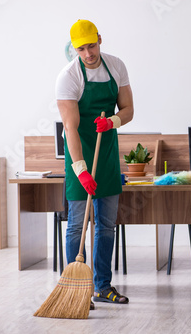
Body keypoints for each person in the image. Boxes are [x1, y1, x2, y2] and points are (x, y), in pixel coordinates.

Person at [55, 19, 133, 305]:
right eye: (81, 48)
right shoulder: (68, 76)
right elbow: (70, 128)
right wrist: (81, 171)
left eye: (91, 45)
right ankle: (77, 289)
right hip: (79, 152)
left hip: (107, 148)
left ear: (100, 39)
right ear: (74, 48)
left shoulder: (116, 66)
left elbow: (128, 109)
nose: (88, 53)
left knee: (106, 224)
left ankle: (103, 286)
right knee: (77, 225)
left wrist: (112, 121)